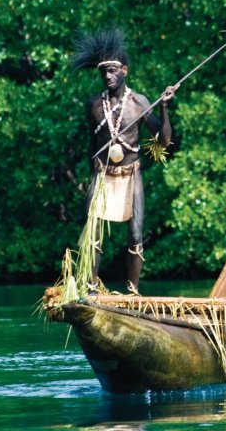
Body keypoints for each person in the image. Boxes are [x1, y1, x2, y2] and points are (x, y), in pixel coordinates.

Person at [71, 29, 175, 295]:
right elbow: (90, 146)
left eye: (113, 70)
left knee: (136, 236)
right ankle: (91, 287)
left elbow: (163, 142)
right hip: (102, 174)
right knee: (92, 234)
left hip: (131, 175)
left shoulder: (140, 103)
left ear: (125, 70)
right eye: (103, 71)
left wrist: (163, 108)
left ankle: (132, 292)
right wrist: (89, 178)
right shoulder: (93, 105)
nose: (107, 76)